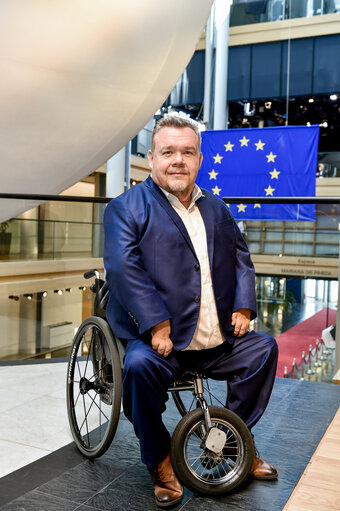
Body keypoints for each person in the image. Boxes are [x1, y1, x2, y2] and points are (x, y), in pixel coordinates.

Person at [103, 116, 278, 508]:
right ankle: (160, 460)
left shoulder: (215, 207)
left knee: (263, 350)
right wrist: (157, 324)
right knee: (138, 368)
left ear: (199, 158)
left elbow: (240, 257)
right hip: (161, 342)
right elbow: (122, 270)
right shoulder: (125, 208)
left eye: (186, 152)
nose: (177, 160)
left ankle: (233, 444)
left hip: (214, 337)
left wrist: (245, 305)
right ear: (151, 158)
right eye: (168, 152)